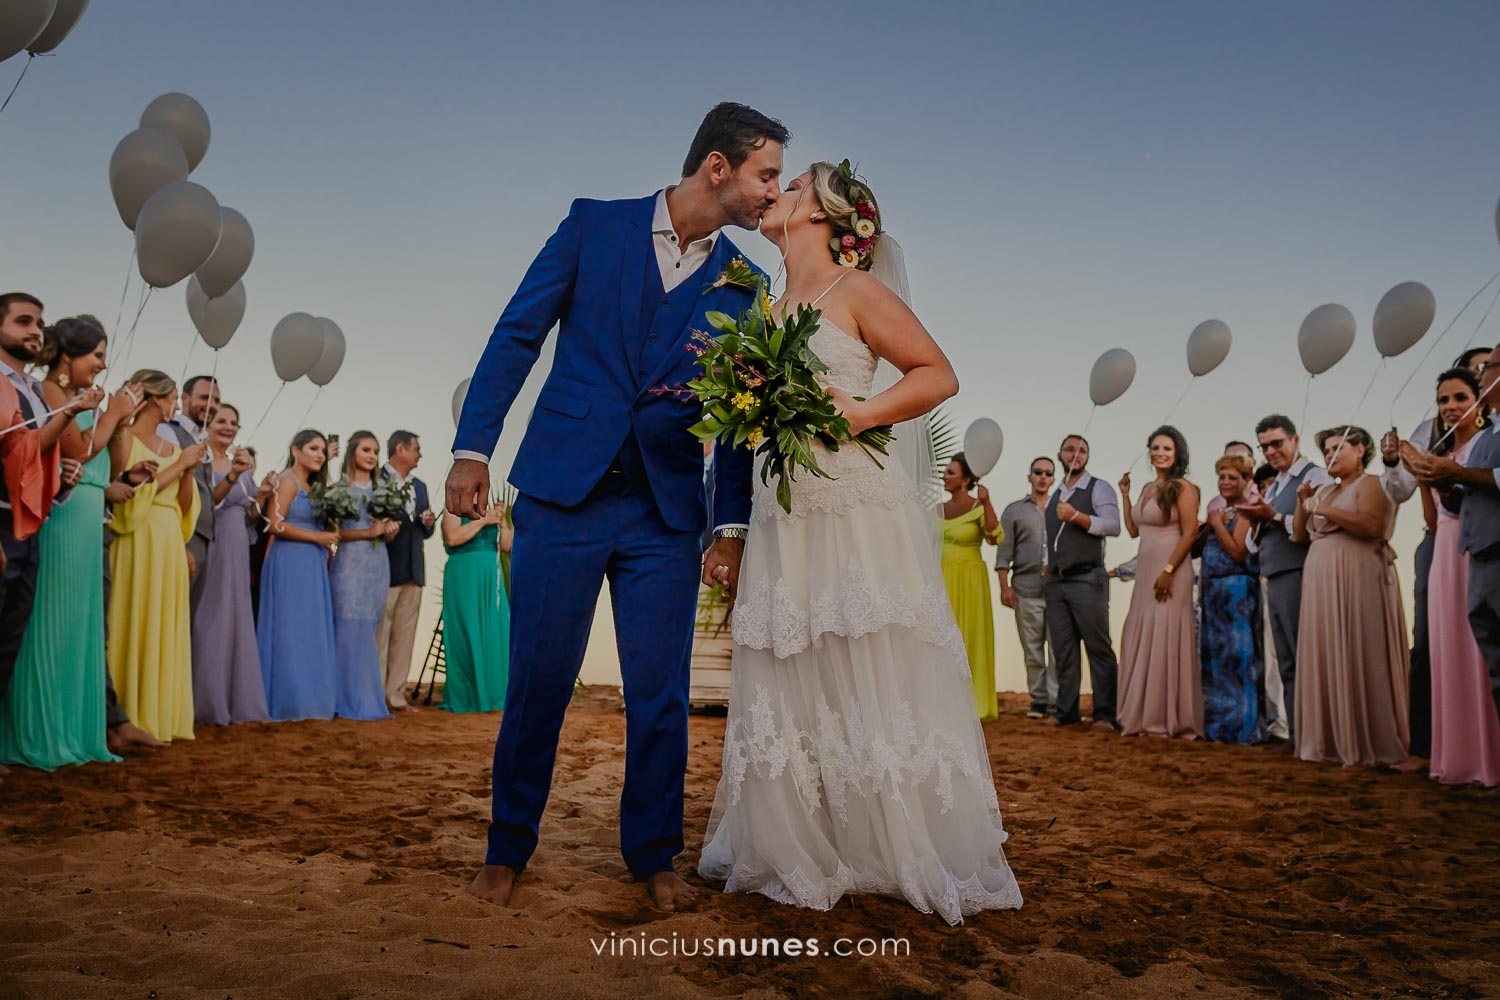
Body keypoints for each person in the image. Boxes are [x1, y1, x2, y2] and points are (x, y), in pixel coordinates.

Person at [448, 103, 780, 912]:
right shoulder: (593, 226)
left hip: (666, 513)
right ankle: (508, 847)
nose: (772, 192)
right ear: (717, 167)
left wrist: (729, 528)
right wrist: (472, 447)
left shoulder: (749, 284)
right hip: (562, 495)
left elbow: (739, 424)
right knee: (538, 680)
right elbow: (517, 331)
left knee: (660, 692)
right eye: (765, 174)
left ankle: (652, 854)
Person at [695, 159, 1020, 923]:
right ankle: (806, 839)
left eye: (795, 187)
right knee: (792, 665)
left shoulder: (858, 291)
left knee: (865, 663)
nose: (778, 194)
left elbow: (937, 375)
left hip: (850, 509)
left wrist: (861, 415)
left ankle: (887, 839)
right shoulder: (767, 310)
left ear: (824, 216)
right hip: (784, 515)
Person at [0, 316, 131, 769]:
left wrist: (120, 422)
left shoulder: (79, 396)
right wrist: (110, 415)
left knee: (80, 629)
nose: (102, 363)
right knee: (50, 627)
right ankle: (41, 730)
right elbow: (75, 449)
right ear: (69, 356)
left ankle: (74, 729)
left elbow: (109, 463)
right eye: (96, 354)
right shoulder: (51, 392)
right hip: (61, 517)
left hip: (87, 512)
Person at [1380, 347, 1491, 769]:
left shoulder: (1491, 437)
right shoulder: (1432, 433)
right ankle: (1431, 749)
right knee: (1429, 643)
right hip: (1439, 543)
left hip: (1480, 540)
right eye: (1444, 399)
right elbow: (1408, 498)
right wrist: (1397, 463)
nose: (1449, 406)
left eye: (1459, 397)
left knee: (1482, 644)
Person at [1292, 426, 1408, 767]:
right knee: (1325, 652)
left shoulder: (1371, 483)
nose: (1329, 455)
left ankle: (1367, 740)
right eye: (1326, 450)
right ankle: (1327, 739)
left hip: (1357, 576)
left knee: (1359, 647)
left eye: (1337, 448)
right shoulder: (1324, 489)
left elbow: (1375, 527)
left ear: (1360, 451)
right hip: (1320, 581)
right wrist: (1305, 504)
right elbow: (1300, 535)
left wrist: (1324, 510)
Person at [106, 370, 205, 743]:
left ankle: (158, 714)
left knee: (164, 625)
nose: (177, 405)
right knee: (130, 620)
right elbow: (131, 493)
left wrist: (187, 471)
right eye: (173, 397)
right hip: (134, 538)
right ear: (154, 397)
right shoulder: (124, 439)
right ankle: (123, 716)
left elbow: (183, 509)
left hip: (166, 541)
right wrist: (179, 466)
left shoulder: (178, 451)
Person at [1237, 415, 1330, 749]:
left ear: (1295, 440)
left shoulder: (1315, 475)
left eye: (1277, 443)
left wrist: (1273, 516)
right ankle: (1298, 733)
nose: (1271, 451)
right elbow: (1252, 544)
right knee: (1286, 659)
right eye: (1264, 446)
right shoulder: (1273, 485)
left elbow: (1319, 525)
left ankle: (1318, 734)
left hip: (1299, 571)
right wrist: (1257, 520)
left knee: (1306, 656)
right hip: (1271, 574)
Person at [1117, 426, 1202, 739]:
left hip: (1171, 570)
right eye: (1155, 448)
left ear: (1177, 453)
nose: (1160, 453)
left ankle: (1167, 718)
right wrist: (1125, 494)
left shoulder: (1184, 488)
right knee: (1140, 631)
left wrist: (1168, 570)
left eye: (1166, 448)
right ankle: (1141, 714)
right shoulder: (1147, 488)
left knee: (1166, 632)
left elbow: (1191, 532)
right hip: (1145, 572)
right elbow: (1133, 529)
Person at [190, 403, 269, 726]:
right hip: (214, 540)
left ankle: (237, 699)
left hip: (239, 547)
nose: (228, 427)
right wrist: (234, 476)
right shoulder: (203, 459)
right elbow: (208, 501)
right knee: (210, 616)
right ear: (208, 424)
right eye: (221, 420)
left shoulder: (241, 462)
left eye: (233, 422)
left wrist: (261, 493)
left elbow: (251, 514)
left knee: (237, 617)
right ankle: (207, 701)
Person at [257, 430, 339, 721]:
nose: (319, 454)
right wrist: (316, 537)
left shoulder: (315, 487)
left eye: (322, 450)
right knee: (289, 629)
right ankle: (288, 701)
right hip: (289, 561)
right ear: (295, 450)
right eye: (313, 448)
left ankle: (312, 701)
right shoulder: (286, 481)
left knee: (309, 629)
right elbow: (274, 524)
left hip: (313, 565)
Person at [1042, 434, 1122, 730]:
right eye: (1070, 449)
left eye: (1082, 450)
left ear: (1088, 457)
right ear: (1060, 455)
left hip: (1088, 579)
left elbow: (1113, 526)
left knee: (1098, 647)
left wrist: (1077, 516)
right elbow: (1049, 535)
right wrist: (1045, 565)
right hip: (1057, 582)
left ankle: (1104, 713)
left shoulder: (1099, 487)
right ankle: (1067, 711)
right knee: (1063, 649)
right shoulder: (1055, 493)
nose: (1076, 454)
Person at [329, 430, 395, 721]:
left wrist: (389, 531)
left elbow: (384, 531)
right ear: (353, 452)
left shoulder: (385, 490)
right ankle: (341, 697)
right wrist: (368, 532)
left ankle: (368, 698)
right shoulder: (338, 489)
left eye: (376, 451)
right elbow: (332, 533)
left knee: (369, 629)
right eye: (366, 450)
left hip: (377, 563)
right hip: (348, 563)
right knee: (346, 630)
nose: (372, 456)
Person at [1199, 454, 1265, 744]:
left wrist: (1214, 523)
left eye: (1232, 478)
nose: (1226, 482)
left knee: (1239, 660)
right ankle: (1219, 728)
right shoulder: (1221, 510)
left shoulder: (1246, 511)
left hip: (1237, 590)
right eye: (1222, 477)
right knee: (1215, 660)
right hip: (1212, 591)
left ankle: (1244, 730)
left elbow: (1238, 551)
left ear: (1245, 481)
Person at [376, 430, 435, 713]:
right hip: (384, 566)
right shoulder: (376, 479)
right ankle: (374, 693)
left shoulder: (420, 486)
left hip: (414, 568)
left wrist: (428, 522)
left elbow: (426, 532)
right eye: (416, 449)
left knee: (404, 635)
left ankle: (396, 694)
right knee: (380, 634)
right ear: (400, 449)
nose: (420, 454)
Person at [940, 451, 1001, 721]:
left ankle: (976, 703)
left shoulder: (978, 505)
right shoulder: (936, 509)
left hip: (971, 579)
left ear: (965, 480)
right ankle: (942, 700)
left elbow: (994, 537)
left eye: (951, 472)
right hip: (941, 579)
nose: (945, 475)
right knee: (940, 639)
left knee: (971, 638)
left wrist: (987, 503)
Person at [996, 457, 1057, 719]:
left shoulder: (1062, 508)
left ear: (1053, 478)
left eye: (1048, 473)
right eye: (1038, 472)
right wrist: (1004, 587)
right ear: (1029, 476)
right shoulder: (1014, 511)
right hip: (1025, 589)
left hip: (1058, 591)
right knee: (1032, 649)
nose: (1043, 476)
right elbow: (1003, 553)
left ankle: (1057, 701)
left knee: (1058, 650)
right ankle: (1039, 701)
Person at [439, 502, 513, 713]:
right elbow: (452, 538)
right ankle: (468, 694)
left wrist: (502, 523)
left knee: (495, 631)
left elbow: (507, 546)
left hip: (490, 575)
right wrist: (484, 520)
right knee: (467, 630)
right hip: (464, 574)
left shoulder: (490, 509)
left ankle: (494, 694)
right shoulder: (453, 507)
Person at [162, 375, 219, 608]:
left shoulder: (203, 440)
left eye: (216, 400)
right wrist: (181, 541)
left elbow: (207, 492)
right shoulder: (168, 431)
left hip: (202, 537)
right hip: (182, 535)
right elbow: (168, 488)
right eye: (205, 397)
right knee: (172, 607)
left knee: (188, 614)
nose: (211, 405)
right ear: (185, 398)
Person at [1206, 441, 1260, 514]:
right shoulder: (1214, 504)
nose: (1235, 460)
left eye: (1241, 455)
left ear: (1254, 461)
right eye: (1230, 456)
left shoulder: (1265, 493)